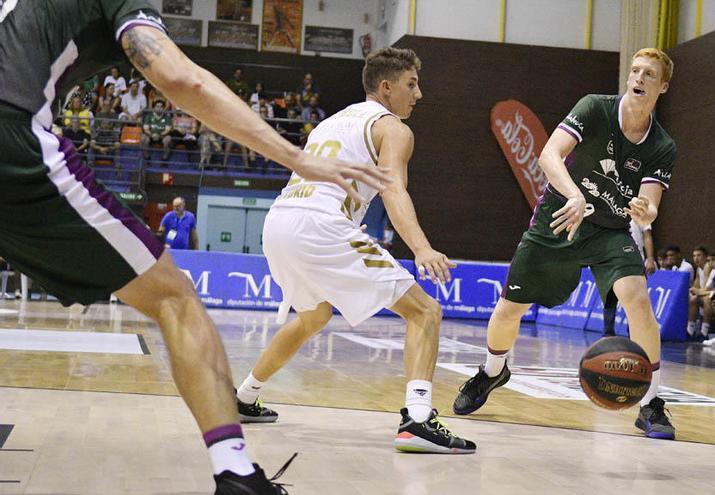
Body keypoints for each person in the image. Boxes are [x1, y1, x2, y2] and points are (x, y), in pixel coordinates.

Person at [0, 2, 387, 493]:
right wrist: (296, 157)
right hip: (11, 134)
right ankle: (237, 474)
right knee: (175, 297)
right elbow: (183, 81)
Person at [234, 47, 475, 454]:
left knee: (313, 316)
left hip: (278, 222)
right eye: (411, 84)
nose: (418, 95)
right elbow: (392, 187)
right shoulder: (393, 128)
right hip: (320, 224)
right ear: (386, 87)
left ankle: (241, 397)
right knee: (425, 311)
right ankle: (417, 420)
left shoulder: (330, 122)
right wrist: (421, 248)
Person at [453, 48, 677, 439]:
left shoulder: (662, 146)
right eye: (635, 71)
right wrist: (574, 194)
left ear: (663, 86)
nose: (639, 78)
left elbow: (651, 205)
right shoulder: (594, 108)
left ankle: (651, 403)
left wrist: (645, 214)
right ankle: (492, 372)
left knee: (637, 298)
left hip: (609, 231)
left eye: (649, 74)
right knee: (510, 308)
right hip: (560, 217)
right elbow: (548, 154)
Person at [603, 219, 655, 337]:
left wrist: (650, 258)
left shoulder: (639, 209)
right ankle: (608, 333)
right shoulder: (610, 208)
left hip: (635, 259)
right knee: (610, 296)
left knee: (635, 298)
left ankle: (633, 334)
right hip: (613, 259)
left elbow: (647, 236)